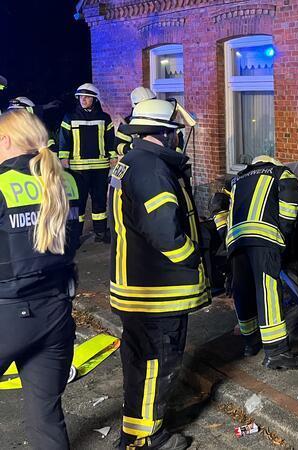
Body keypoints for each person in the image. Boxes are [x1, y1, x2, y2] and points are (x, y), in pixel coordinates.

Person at [110, 99, 209, 450]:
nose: (178, 139)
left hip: (135, 284)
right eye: (175, 133)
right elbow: (165, 231)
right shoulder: (152, 168)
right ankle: (146, 439)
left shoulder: (131, 161)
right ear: (165, 133)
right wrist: (192, 257)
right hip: (156, 291)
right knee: (157, 363)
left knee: (140, 365)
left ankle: (135, 432)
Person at [0, 110, 81, 449]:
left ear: (4, 141)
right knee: (46, 417)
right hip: (55, 313)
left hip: (6, 314)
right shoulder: (66, 179)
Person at [209, 155, 298, 369]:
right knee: (267, 291)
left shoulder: (236, 180)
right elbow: (291, 197)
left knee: (243, 291)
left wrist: (225, 234)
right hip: (264, 239)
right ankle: (276, 353)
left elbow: (217, 204)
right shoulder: (279, 173)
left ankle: (250, 344)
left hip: (236, 240)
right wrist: (285, 232)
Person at [57, 83, 117, 243]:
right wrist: (63, 158)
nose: (83, 99)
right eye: (81, 97)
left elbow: (110, 139)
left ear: (95, 99)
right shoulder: (69, 117)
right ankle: (75, 236)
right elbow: (63, 140)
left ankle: (101, 233)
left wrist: (112, 156)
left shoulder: (105, 118)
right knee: (78, 203)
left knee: (99, 202)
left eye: (87, 97)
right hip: (78, 168)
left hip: (100, 167)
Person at [116, 87, 157, 156]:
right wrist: (132, 147)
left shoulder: (161, 118)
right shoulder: (128, 123)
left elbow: (178, 139)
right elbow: (118, 146)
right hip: (138, 161)